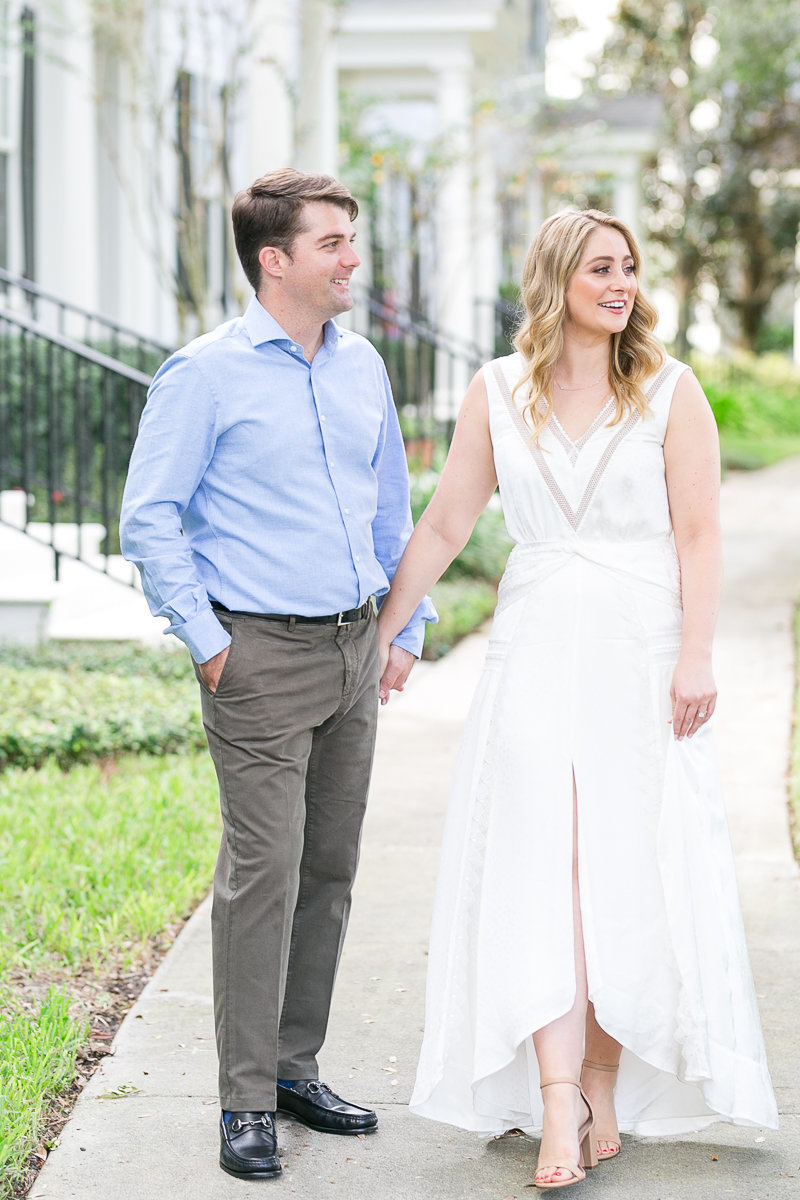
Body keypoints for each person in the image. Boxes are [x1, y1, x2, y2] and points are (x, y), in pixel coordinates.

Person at [376, 209, 778, 1190]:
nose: (620, 284)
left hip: (640, 656)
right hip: (533, 648)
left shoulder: (670, 391)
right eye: (600, 267)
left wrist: (694, 655)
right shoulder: (494, 391)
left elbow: (697, 537)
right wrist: (386, 627)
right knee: (539, 869)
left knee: (621, 871)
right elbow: (444, 521)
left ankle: (600, 1083)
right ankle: (556, 1098)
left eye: (629, 269)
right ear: (553, 277)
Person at [120, 167, 434, 1181]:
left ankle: (295, 1067)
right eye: (333, 242)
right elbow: (149, 518)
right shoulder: (202, 375)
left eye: (351, 238)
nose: (353, 258)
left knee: (329, 874)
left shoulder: (362, 370)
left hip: (353, 650)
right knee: (263, 876)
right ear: (276, 260)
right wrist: (209, 641)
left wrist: (403, 626)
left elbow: (389, 508)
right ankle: (244, 1100)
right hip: (255, 656)